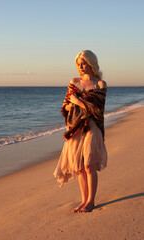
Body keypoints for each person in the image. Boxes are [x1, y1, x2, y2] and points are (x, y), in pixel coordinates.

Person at [53, 50, 107, 213]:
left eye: (83, 63)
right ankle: (84, 200)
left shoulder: (100, 84)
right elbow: (65, 107)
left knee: (89, 165)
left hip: (92, 127)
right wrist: (73, 104)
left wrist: (78, 102)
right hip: (76, 128)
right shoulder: (74, 82)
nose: (81, 66)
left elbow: (98, 111)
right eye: (78, 64)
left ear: (91, 63)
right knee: (80, 168)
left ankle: (91, 201)